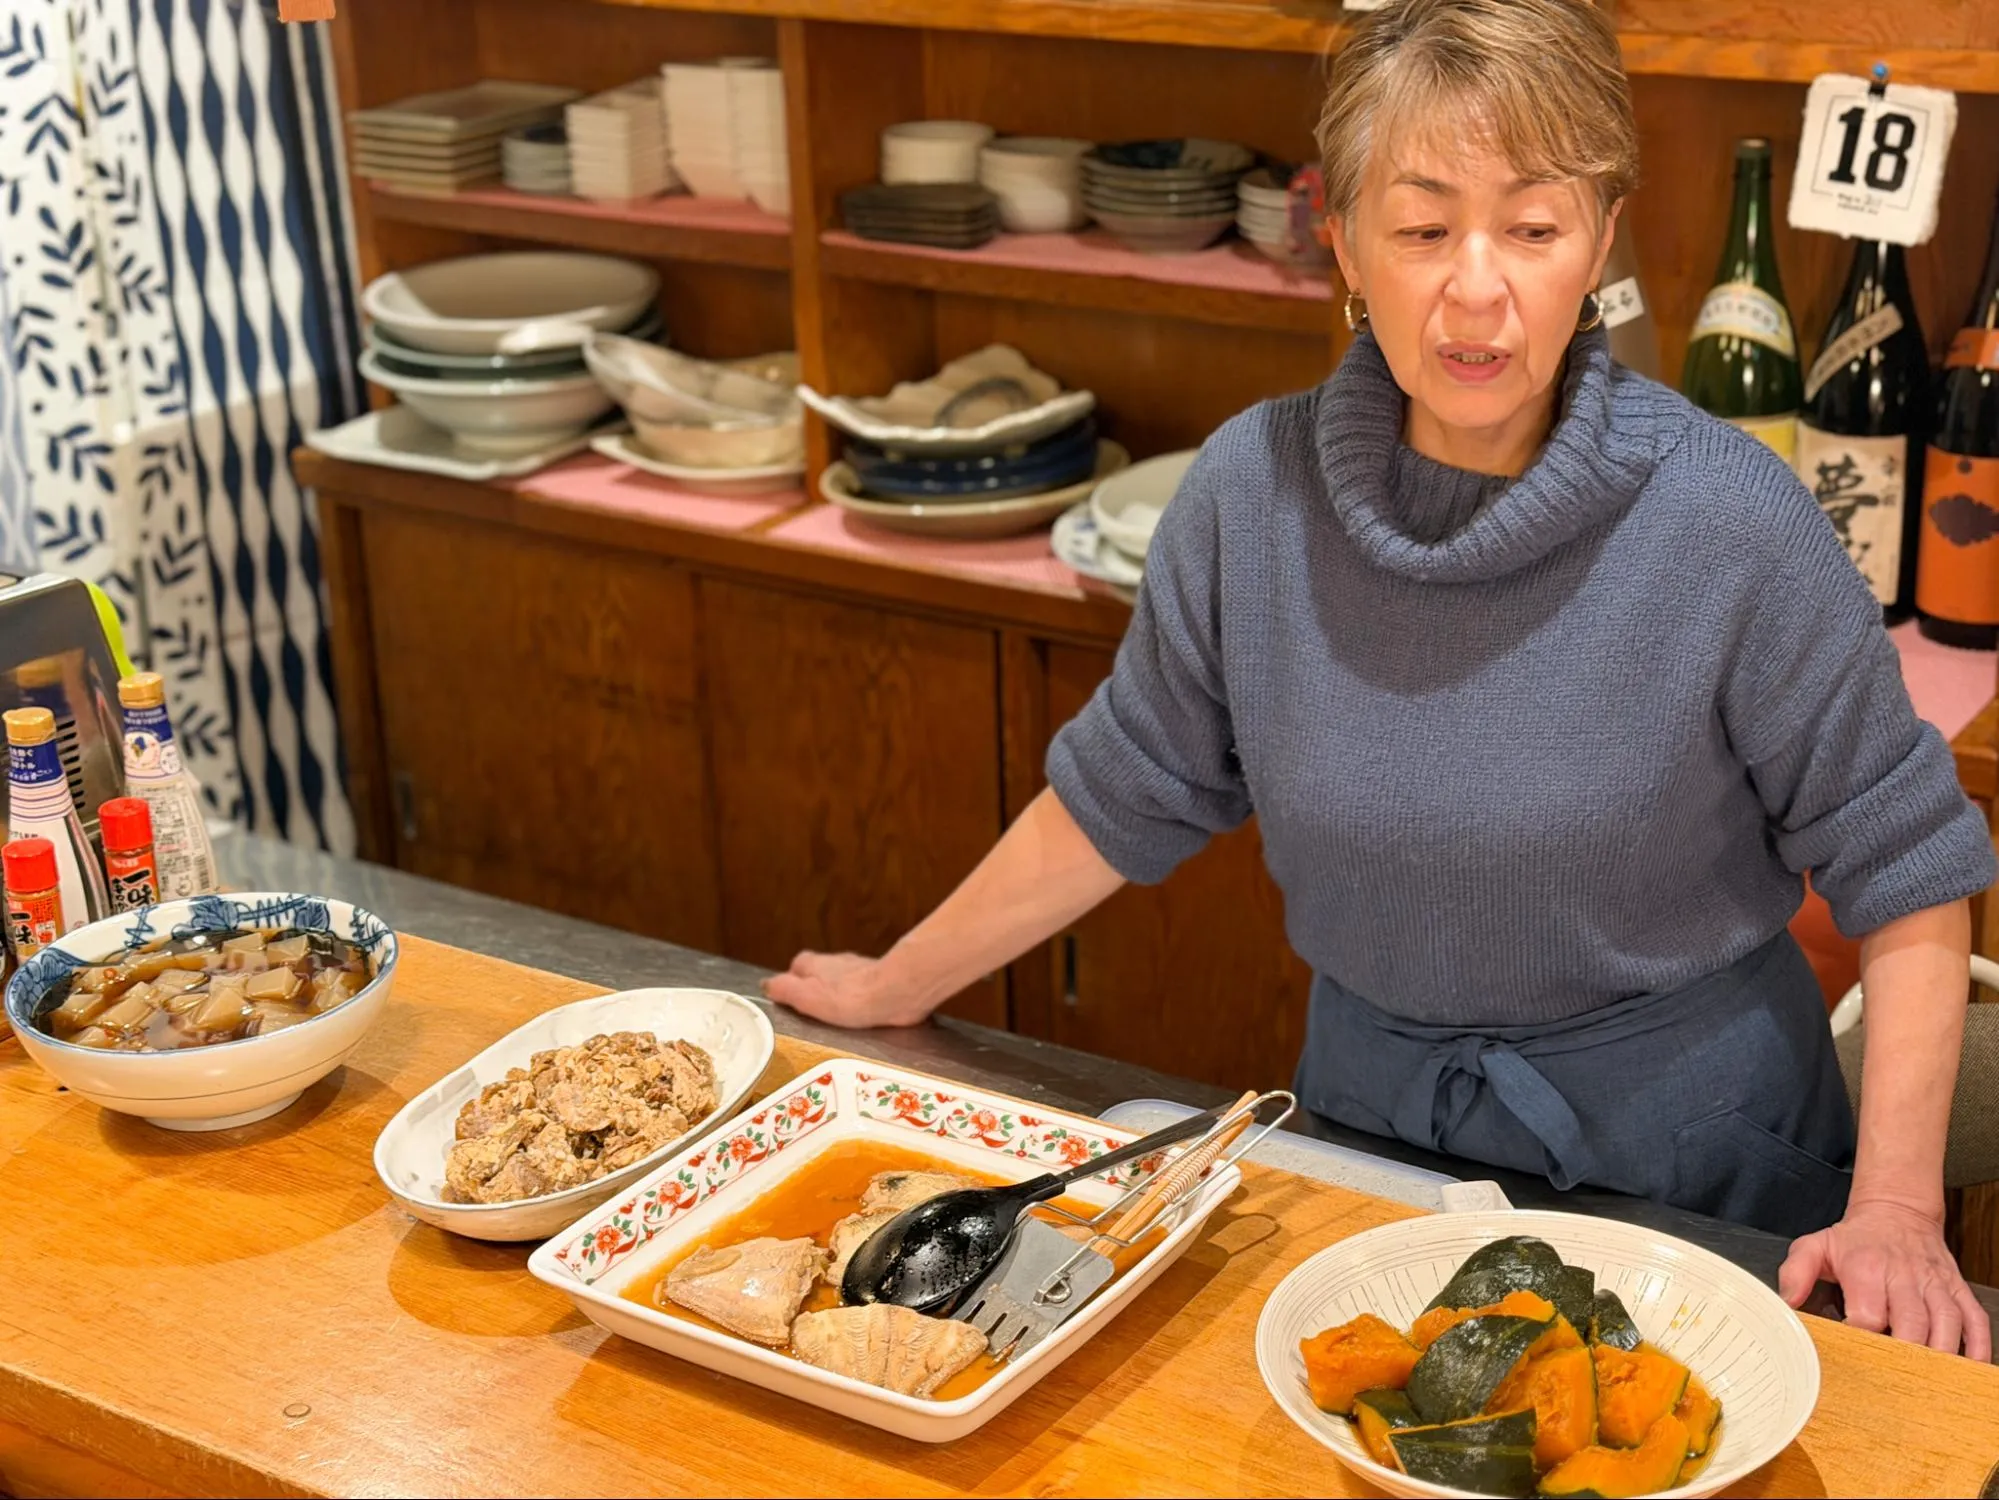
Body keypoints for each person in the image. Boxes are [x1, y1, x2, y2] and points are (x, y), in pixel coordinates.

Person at [765, 0, 1997, 1358]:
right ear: (1343, 243)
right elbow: (1122, 792)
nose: (1476, 289)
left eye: (1532, 228)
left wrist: (1896, 1208)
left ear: (1600, 239)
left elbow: (1908, 868)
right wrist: (897, 983)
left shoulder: (1728, 519)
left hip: (1691, 1169)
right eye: (1420, 229)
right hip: (1369, 1137)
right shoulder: (1250, 493)